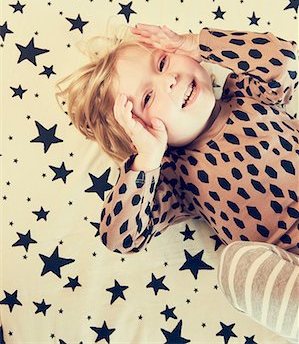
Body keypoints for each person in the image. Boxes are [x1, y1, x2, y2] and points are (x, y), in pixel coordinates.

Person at [55, 23, 298, 343]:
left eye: (162, 62)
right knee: (236, 266)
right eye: (146, 98)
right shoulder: (174, 178)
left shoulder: (247, 92)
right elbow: (120, 238)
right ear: (137, 136)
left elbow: (285, 58)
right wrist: (146, 159)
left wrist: (198, 44)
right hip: (292, 263)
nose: (169, 80)